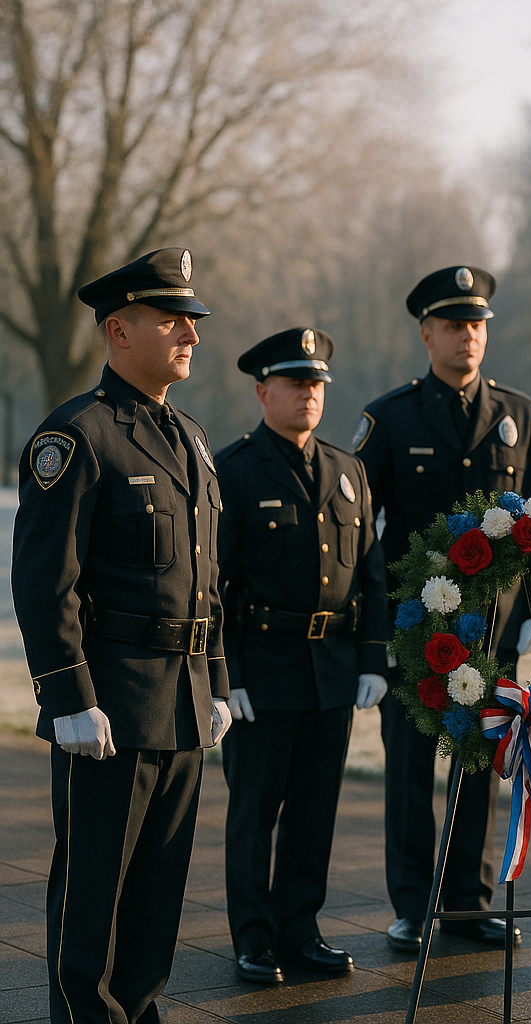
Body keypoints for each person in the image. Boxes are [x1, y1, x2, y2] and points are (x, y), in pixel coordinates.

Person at [10, 248, 232, 1023]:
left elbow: (207, 578)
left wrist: (218, 683)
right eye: (171, 320)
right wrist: (69, 697)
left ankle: (140, 1012)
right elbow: (46, 582)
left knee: (158, 890)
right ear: (118, 328)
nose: (191, 335)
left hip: (181, 702)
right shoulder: (76, 435)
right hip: (109, 703)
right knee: (93, 888)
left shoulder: (194, 439)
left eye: (192, 322)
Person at [354, 265, 531, 952]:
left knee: (479, 767)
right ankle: (414, 905)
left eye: (477, 325)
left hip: (495, 627)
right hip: (418, 633)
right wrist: (378, 628)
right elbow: (364, 531)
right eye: (454, 325)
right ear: (427, 334)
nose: (468, 336)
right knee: (411, 773)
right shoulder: (390, 417)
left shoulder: (520, 415)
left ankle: (468, 904)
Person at [215, 327, 390, 984]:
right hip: (262, 668)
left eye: (316, 384)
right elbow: (214, 584)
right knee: (255, 813)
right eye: (295, 383)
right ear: (263, 392)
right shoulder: (234, 470)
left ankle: (300, 930)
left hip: (332, 671)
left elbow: (371, 575)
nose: (308, 395)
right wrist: (223, 674)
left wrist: (372, 659)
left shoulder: (349, 471)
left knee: (315, 811)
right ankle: (254, 938)